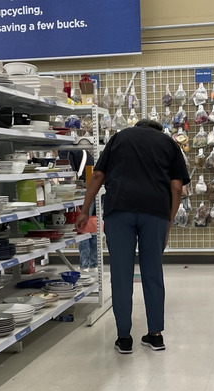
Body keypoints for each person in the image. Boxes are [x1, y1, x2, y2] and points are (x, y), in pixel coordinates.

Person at [76, 119, 189, 354]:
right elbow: (177, 188)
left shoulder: (118, 138)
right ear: (157, 130)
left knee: (121, 274)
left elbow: (98, 175)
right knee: (153, 274)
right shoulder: (169, 144)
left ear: (137, 127)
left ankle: (124, 338)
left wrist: (85, 210)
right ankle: (156, 336)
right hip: (155, 212)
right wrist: (167, 223)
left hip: (120, 211)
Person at [58, 148, 98, 272]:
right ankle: (94, 264)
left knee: (82, 227)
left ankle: (84, 265)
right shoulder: (83, 152)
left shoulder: (65, 152)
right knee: (92, 226)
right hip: (93, 188)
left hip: (83, 191)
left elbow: (69, 173)